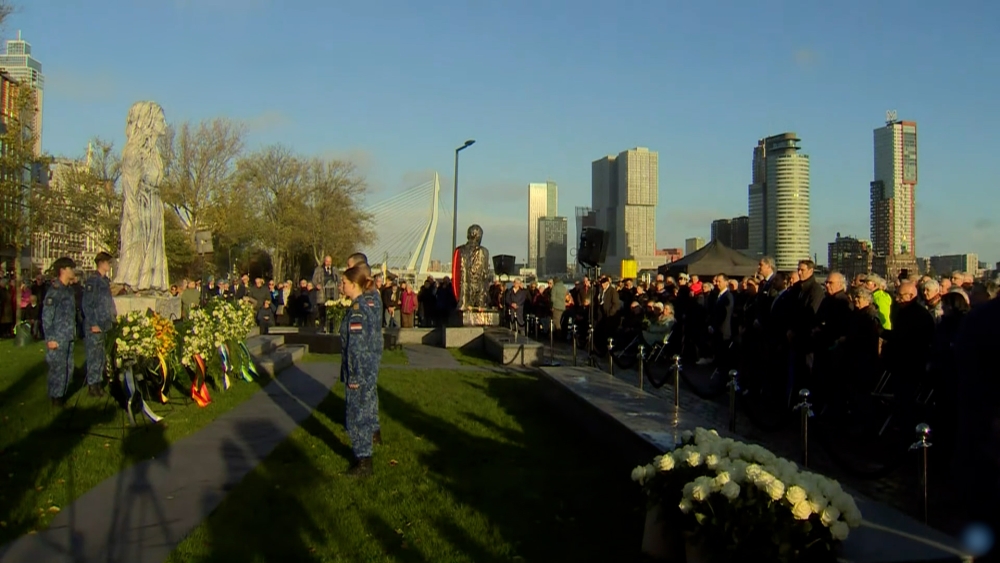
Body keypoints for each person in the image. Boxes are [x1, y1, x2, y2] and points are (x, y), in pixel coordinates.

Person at [339, 265, 383, 477]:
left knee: (356, 416)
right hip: (367, 368)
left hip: (359, 370)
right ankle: (364, 457)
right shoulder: (361, 307)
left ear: (354, 285)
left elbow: (355, 347)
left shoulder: (357, 311)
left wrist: (354, 376)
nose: (342, 286)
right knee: (363, 412)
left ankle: (363, 460)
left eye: (344, 283)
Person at [347, 252, 383, 445]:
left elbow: (364, 334)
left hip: (367, 353)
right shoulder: (368, 297)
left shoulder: (366, 300)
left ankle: (366, 442)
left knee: (364, 396)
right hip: (370, 351)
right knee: (369, 393)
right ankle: (373, 431)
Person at [43, 257, 78, 407]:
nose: (73, 271)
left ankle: (61, 394)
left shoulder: (68, 291)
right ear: (63, 270)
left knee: (68, 369)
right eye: (70, 268)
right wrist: (50, 338)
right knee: (58, 369)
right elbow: (47, 317)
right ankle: (56, 398)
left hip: (68, 335)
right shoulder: (54, 292)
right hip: (57, 337)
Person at [82, 252, 117, 397]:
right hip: (95, 325)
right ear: (101, 263)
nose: (110, 265)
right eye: (108, 262)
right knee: (94, 356)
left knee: (101, 356)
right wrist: (93, 323)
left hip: (105, 324)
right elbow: (87, 305)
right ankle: (93, 385)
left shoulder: (104, 281)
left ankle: (98, 384)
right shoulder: (93, 281)